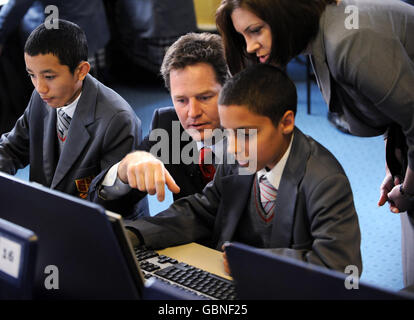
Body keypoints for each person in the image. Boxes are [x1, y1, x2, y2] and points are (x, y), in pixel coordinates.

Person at [216, 0, 414, 287]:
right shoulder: (327, 30)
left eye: (256, 31)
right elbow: (398, 109)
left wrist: (408, 187)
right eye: (244, 36)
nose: (249, 46)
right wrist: (396, 162)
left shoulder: (348, 40)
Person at [125, 64, 362, 275]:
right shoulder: (241, 155)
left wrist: (253, 261)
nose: (235, 147)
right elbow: (203, 209)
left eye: (246, 134)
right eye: (228, 132)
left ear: (286, 123)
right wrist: (135, 234)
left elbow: (339, 265)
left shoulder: (325, 180)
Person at [0, 20, 148, 219]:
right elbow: (12, 149)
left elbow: (111, 200)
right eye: (32, 75)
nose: (40, 88)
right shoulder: (42, 97)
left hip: (99, 227)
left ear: (81, 71)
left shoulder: (118, 120)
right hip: (51, 215)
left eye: (49, 77)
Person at [88, 32, 229, 217]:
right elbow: (103, 206)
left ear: (230, 90)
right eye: (181, 100)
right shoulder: (169, 128)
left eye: (204, 98)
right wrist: (123, 171)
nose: (193, 112)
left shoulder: (257, 136)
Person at [0, 0, 110, 76]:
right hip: (94, 27)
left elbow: (16, 7)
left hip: (60, 41)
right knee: (92, 79)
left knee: (66, 88)